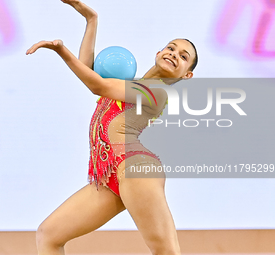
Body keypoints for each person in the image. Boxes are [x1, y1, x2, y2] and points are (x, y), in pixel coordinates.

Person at [26, 1, 198, 254]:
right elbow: (88, 70)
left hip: (136, 169)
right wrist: (91, 20)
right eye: (171, 48)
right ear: (158, 51)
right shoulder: (130, 82)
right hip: (107, 175)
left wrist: (61, 51)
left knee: (166, 252)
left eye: (183, 57)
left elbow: (97, 85)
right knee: (49, 234)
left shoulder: (157, 91)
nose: (174, 54)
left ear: (186, 75)